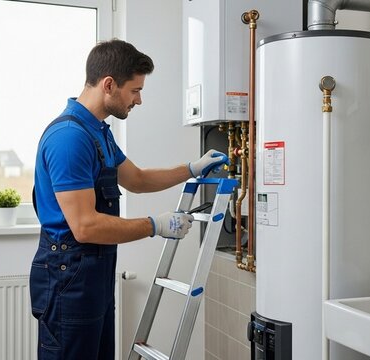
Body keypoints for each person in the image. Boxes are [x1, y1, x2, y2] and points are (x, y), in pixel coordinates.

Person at [29, 39, 228, 360]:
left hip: (94, 275)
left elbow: (137, 179)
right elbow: (85, 226)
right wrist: (156, 225)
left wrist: (192, 168)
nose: (139, 100)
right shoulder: (70, 138)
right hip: (69, 279)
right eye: (135, 90)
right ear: (109, 85)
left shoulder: (97, 132)